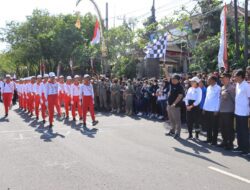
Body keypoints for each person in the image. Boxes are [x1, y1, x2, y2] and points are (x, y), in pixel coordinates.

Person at [234, 69, 250, 155]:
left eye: (235, 76)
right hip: (237, 112)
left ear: (240, 77)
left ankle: (246, 149)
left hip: (244, 113)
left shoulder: (246, 86)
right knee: (239, 130)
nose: (234, 78)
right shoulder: (237, 84)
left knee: (244, 131)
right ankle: (240, 147)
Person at [218, 73, 235, 150]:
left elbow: (235, 100)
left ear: (228, 78)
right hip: (222, 110)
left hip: (229, 111)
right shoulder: (222, 87)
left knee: (229, 128)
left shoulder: (232, 87)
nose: (221, 79)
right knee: (222, 127)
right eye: (221, 78)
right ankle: (224, 141)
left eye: (223, 78)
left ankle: (230, 143)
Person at [203, 75, 221, 145]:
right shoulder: (208, 88)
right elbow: (206, 99)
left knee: (214, 127)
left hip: (214, 110)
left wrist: (217, 109)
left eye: (209, 79)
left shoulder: (218, 88)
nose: (207, 80)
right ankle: (209, 139)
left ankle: (214, 141)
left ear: (213, 80)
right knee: (208, 125)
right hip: (207, 109)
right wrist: (204, 108)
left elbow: (219, 100)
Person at [166, 74, 184, 139]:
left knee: (177, 120)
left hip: (175, 106)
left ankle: (178, 133)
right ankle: (172, 131)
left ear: (178, 80)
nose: (173, 80)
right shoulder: (172, 83)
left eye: (174, 79)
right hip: (169, 105)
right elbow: (167, 76)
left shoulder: (180, 87)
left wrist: (174, 104)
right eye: (172, 79)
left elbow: (180, 96)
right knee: (171, 119)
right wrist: (165, 68)